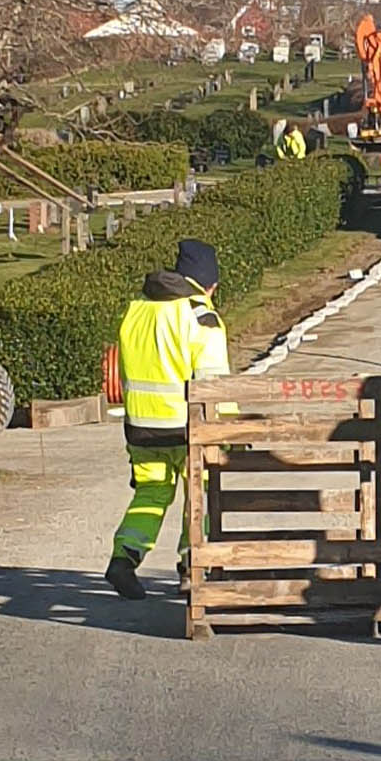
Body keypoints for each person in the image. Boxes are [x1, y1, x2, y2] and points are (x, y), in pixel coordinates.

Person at [106, 238, 227, 599]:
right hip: (185, 428)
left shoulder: (137, 309)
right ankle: (191, 569)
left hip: (141, 427)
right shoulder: (199, 317)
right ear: (208, 284)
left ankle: (123, 560)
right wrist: (231, 430)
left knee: (152, 493)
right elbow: (214, 385)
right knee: (199, 496)